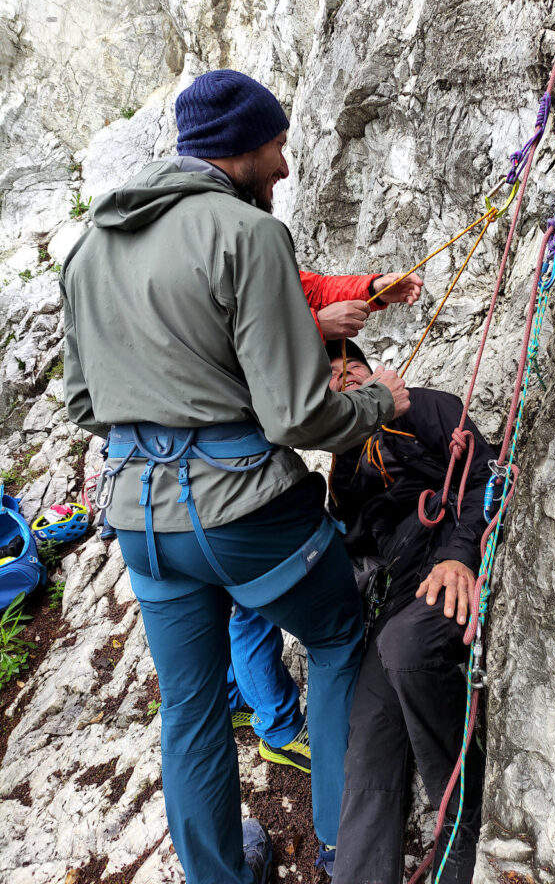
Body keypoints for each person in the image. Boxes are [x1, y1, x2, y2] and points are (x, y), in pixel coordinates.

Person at [60, 69, 410, 884]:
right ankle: (338, 842)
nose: (285, 167)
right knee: (333, 639)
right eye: (278, 146)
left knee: (189, 708)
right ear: (242, 149)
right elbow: (298, 419)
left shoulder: (88, 250)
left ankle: (217, 874)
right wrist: (378, 404)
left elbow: (86, 404)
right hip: (249, 515)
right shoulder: (247, 236)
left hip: (144, 523)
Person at [231, 339, 493, 882]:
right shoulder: (345, 462)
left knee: (404, 650)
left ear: (379, 376)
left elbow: (484, 474)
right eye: (330, 376)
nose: (344, 378)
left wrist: (458, 556)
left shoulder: (424, 406)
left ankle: (458, 826)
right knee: (368, 726)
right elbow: (352, 548)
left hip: (440, 562)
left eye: (353, 366)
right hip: (396, 591)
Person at [227, 267, 423, 775]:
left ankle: (241, 693)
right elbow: (228, 350)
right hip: (232, 487)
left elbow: (300, 285)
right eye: (336, 378)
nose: (283, 179)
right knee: (252, 606)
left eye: (350, 372)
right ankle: (278, 727)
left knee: (246, 604)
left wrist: (373, 289)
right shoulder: (215, 243)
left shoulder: (231, 236)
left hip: (194, 490)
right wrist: (316, 326)